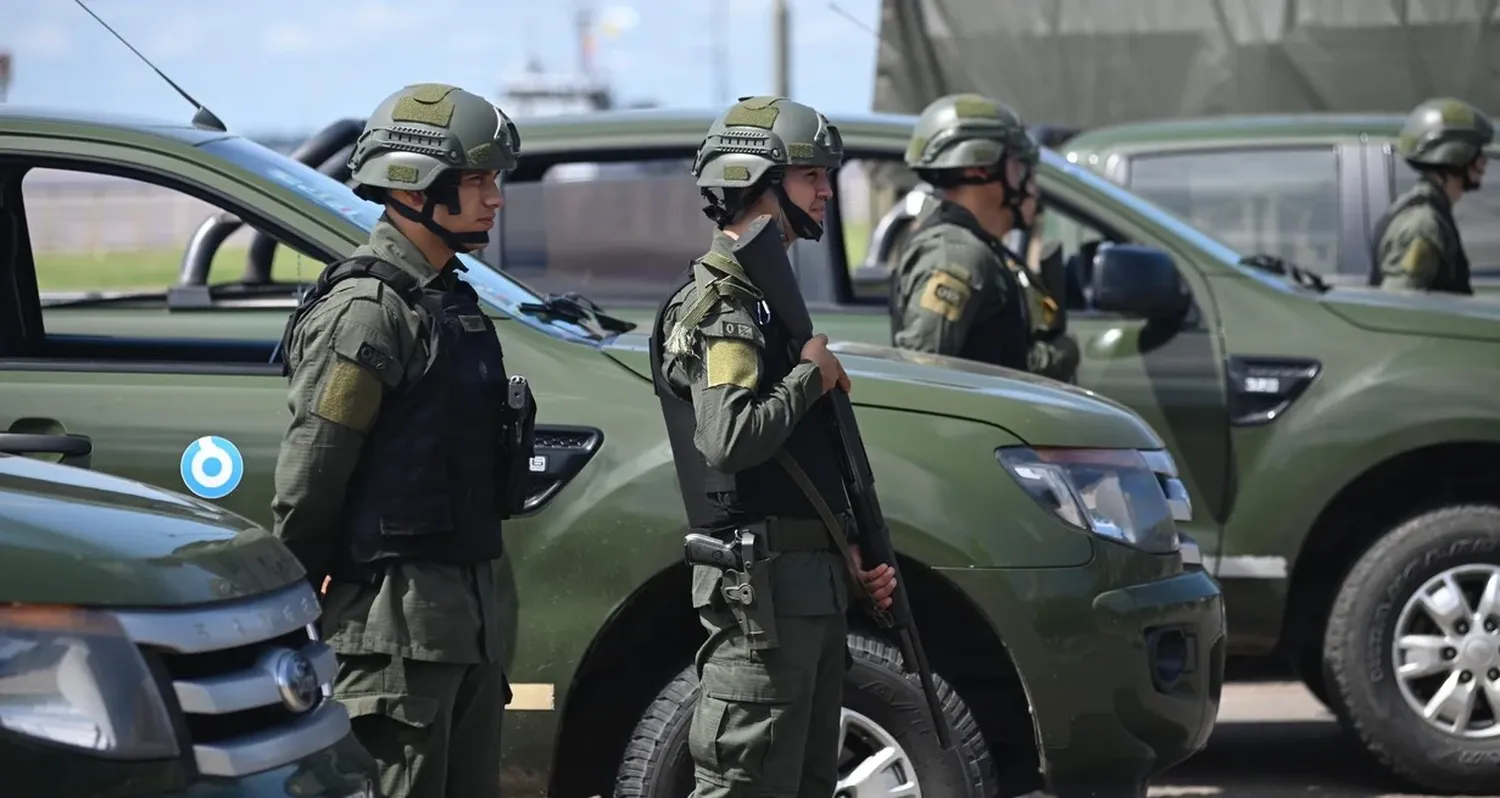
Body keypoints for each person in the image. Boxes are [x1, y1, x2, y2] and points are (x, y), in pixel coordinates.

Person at [270, 82, 532, 798]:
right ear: (417, 185)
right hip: (393, 641)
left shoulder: (448, 300)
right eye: (477, 179)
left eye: (493, 179)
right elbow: (312, 476)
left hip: (462, 634)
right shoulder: (368, 313)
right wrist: (291, 613)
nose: (494, 197)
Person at [648, 95, 898, 798]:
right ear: (757, 180)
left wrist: (843, 548)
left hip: (802, 586)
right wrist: (808, 378)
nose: (826, 188)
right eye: (810, 174)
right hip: (760, 600)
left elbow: (797, 464)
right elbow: (729, 439)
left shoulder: (767, 297)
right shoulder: (727, 306)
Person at [889, 92, 1043, 374]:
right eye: (1019, 167)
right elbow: (921, 373)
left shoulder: (979, 247)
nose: (1031, 183)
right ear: (980, 167)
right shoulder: (956, 255)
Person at [1371, 97, 1495, 295]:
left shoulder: (1433, 211)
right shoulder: (1422, 225)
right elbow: (1401, 310)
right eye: (1476, 153)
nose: (1484, 163)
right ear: (1454, 154)